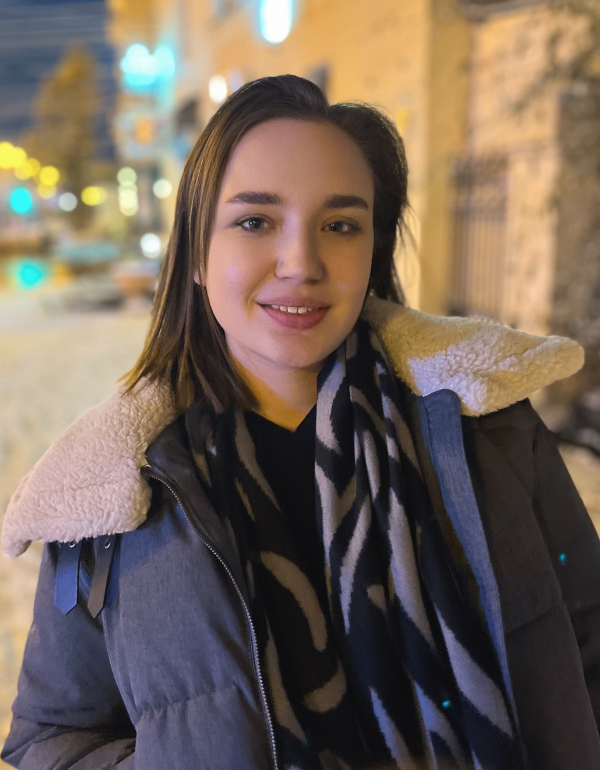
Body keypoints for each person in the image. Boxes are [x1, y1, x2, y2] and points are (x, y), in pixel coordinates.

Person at [1, 75, 599, 770]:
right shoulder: (108, 493)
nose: (301, 264)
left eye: (339, 226)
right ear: (197, 254)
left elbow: (586, 639)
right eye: (255, 221)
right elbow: (53, 736)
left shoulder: (486, 426)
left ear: (372, 249)